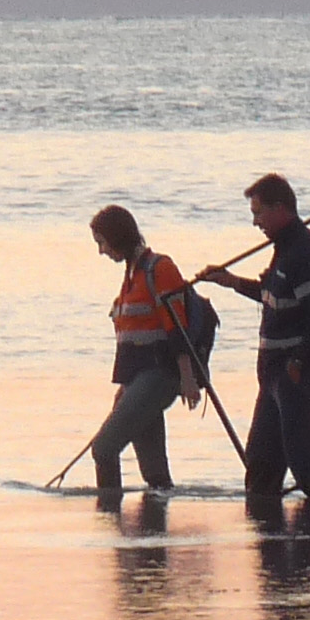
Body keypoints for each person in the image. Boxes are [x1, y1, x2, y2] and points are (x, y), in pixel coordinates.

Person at [199, 173, 310, 512]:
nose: (255, 223)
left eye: (259, 213)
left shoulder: (306, 254)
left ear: (281, 209)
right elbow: (272, 296)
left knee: (305, 456)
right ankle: (268, 540)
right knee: (262, 463)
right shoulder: (284, 252)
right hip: (273, 375)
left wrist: (297, 364)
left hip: (297, 372)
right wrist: (231, 281)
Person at [84, 205, 201, 499]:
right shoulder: (131, 277)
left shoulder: (159, 269)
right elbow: (131, 341)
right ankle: (154, 539)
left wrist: (187, 378)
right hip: (139, 380)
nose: (101, 251)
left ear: (117, 237)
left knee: (104, 449)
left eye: (102, 242)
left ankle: (109, 516)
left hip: (161, 375)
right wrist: (126, 387)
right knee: (154, 473)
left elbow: (177, 330)